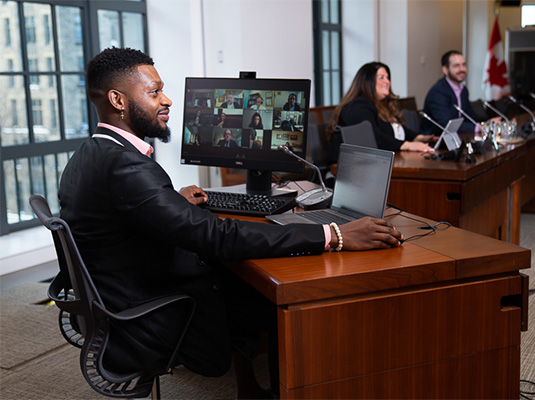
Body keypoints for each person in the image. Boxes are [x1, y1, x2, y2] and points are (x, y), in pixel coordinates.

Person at [58, 47, 402, 399]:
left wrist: (168, 203)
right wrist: (333, 234)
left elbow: (123, 214)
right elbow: (217, 236)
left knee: (241, 272)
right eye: (154, 92)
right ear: (118, 100)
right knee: (270, 293)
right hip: (146, 316)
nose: (168, 100)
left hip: (116, 302)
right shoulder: (128, 167)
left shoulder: (88, 155)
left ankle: (250, 387)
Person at [329, 61, 434, 163]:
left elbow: (397, 130)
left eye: (388, 77)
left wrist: (421, 138)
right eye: (381, 77)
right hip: (358, 168)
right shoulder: (357, 106)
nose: (387, 82)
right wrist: (407, 145)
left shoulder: (381, 105)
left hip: (381, 162)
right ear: (367, 82)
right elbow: (371, 136)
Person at [421, 50, 487, 135]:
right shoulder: (438, 92)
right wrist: (477, 128)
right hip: (434, 141)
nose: (462, 69)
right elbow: (447, 124)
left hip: (457, 137)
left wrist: (487, 123)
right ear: (445, 70)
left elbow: (469, 116)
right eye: (456, 66)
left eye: (464, 65)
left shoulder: (463, 90)